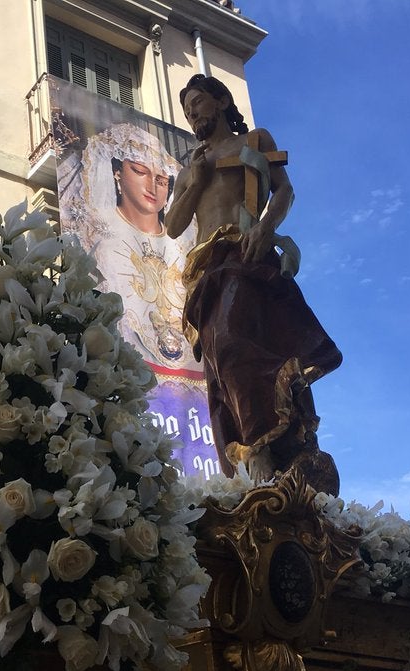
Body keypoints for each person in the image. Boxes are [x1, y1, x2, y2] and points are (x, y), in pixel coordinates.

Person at [166, 74, 342, 490]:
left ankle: (263, 448)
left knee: (234, 343)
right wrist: (196, 179)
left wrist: (265, 227)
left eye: (197, 103)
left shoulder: (256, 139)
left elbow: (284, 192)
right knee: (218, 369)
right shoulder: (190, 167)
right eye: (187, 110)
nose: (192, 114)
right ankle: (247, 453)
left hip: (245, 255)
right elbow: (174, 225)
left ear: (221, 100)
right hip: (206, 268)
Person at [64, 123, 199, 369]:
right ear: (117, 173)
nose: (152, 187)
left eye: (161, 180)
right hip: (116, 363)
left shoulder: (183, 241)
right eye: (139, 171)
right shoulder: (96, 228)